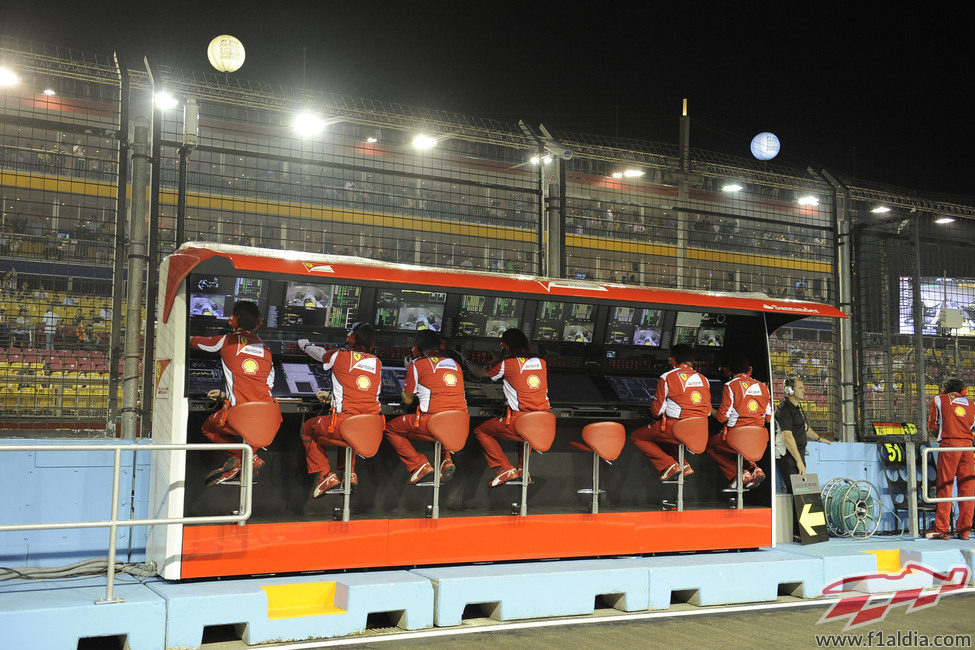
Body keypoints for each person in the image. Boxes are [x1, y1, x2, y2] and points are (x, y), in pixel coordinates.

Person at [189, 301, 279, 486]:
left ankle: (245, 457)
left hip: (239, 417)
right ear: (259, 323)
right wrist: (225, 395)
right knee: (252, 435)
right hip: (267, 418)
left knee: (208, 427)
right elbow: (266, 385)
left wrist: (185, 335)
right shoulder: (267, 351)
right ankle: (244, 459)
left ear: (234, 320)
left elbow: (197, 343)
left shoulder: (227, 340)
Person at [298, 323, 382, 498]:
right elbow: (362, 395)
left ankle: (325, 475)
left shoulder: (340, 355)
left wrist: (305, 345)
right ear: (372, 345)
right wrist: (332, 399)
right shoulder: (377, 363)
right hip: (370, 428)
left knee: (307, 429)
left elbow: (321, 355)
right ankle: (349, 474)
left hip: (344, 424)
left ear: (351, 338)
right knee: (351, 432)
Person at [468, 328, 550, 487]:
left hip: (520, 422)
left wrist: (465, 359)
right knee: (526, 433)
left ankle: (505, 468)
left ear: (504, 345)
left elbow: (479, 372)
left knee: (481, 431)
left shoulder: (506, 364)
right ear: (527, 344)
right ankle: (522, 469)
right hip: (543, 423)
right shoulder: (542, 363)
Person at [384, 330, 466, 485]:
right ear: (441, 345)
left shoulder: (417, 365)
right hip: (459, 424)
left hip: (433, 423)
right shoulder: (455, 364)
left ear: (416, 350)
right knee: (440, 425)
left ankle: (419, 464)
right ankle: (446, 460)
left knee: (390, 428)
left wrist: (409, 370)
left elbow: (408, 400)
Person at [630, 343, 712, 481]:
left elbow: (657, 411)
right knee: (665, 439)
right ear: (691, 361)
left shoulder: (667, 377)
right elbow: (708, 410)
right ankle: (684, 465)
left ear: (673, 359)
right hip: (700, 431)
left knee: (638, 436)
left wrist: (651, 414)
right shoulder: (704, 379)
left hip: (677, 428)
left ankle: (669, 465)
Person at [705, 353, 771, 490]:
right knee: (737, 448)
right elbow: (769, 417)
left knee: (710, 445)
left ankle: (739, 474)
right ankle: (754, 469)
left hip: (736, 436)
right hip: (760, 438)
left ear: (729, 370)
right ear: (749, 369)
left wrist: (710, 409)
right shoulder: (763, 387)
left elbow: (722, 417)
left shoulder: (730, 386)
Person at [925, 378, 974, 540]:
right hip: (968, 447)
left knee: (945, 487)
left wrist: (939, 436)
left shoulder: (939, 400)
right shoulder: (972, 405)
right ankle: (965, 530)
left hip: (949, 445)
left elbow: (932, 425)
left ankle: (942, 529)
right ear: (963, 391)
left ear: (944, 390)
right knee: (967, 489)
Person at [773, 377, 831, 494]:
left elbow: (804, 427)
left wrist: (818, 438)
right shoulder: (784, 410)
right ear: (790, 391)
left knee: (798, 490)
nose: (804, 390)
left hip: (797, 454)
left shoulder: (795, 408)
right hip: (788, 455)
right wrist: (798, 461)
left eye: (803, 388)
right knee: (795, 491)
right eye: (800, 388)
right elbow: (788, 437)